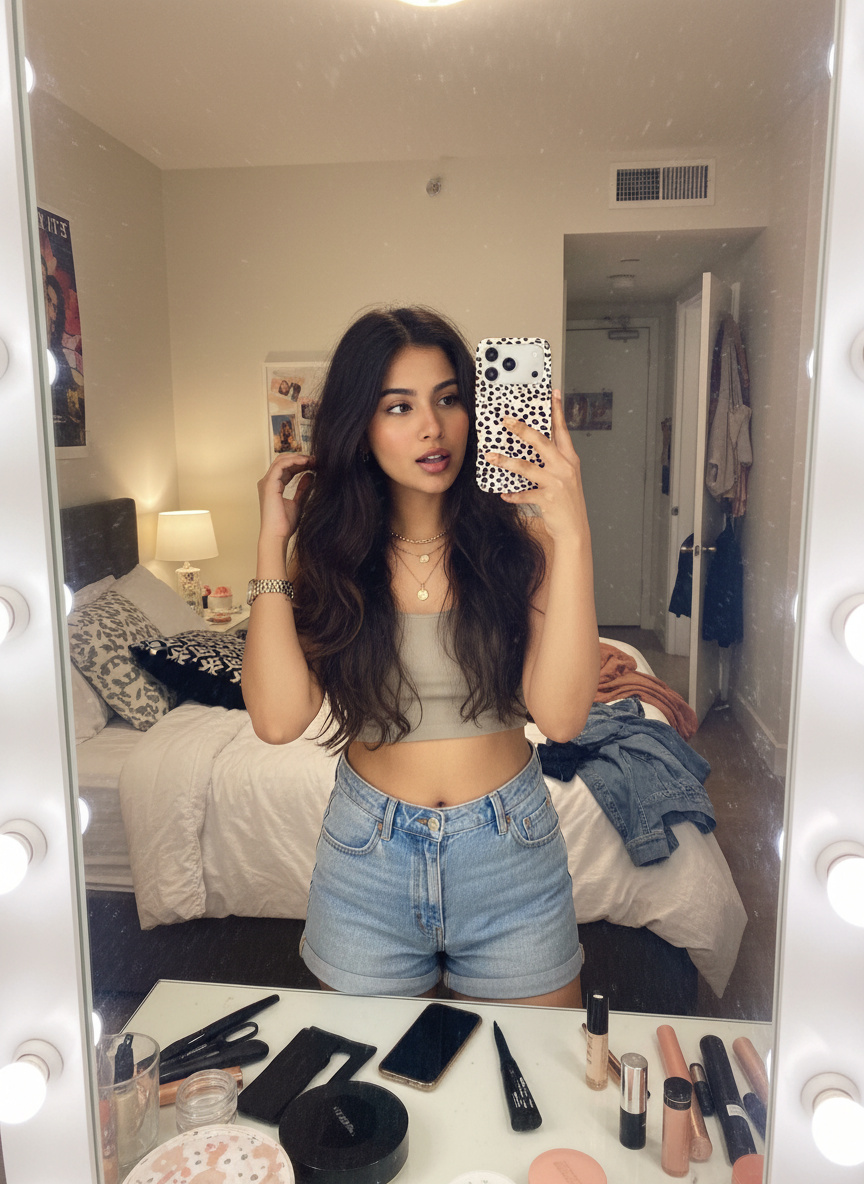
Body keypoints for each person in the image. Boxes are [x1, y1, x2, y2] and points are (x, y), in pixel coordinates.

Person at [242, 306, 599, 1007]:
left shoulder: (523, 548)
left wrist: (573, 531)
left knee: (536, 1072)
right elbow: (278, 721)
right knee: (365, 1078)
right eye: (399, 406)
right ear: (361, 427)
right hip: (366, 863)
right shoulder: (332, 558)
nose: (433, 427)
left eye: (448, 399)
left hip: (511, 859)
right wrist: (271, 542)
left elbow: (561, 719)